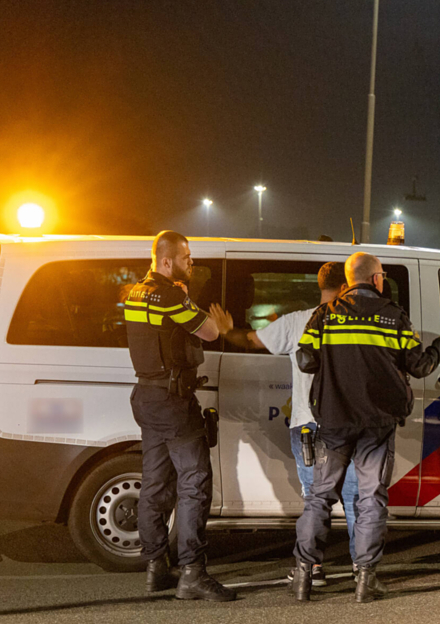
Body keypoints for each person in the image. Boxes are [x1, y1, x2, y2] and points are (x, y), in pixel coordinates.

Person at [290, 252, 440, 603]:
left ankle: (303, 576)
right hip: (377, 424)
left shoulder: (326, 314)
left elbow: (305, 360)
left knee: (321, 496)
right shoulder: (393, 317)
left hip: (334, 420)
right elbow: (420, 366)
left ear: (349, 280)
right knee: (370, 498)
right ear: (377, 278)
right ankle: (365, 579)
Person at [208, 262, 359, 586]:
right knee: (354, 497)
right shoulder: (356, 323)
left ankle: (310, 569)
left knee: (315, 499)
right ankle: (363, 568)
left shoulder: (296, 321)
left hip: (307, 425)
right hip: (345, 426)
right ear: (345, 286)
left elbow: (249, 340)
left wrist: (224, 331)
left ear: (320, 286)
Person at [124, 230, 235, 602]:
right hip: (173, 401)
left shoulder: (136, 292)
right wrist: (212, 318)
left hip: (147, 396)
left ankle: (156, 565)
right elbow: (207, 331)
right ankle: (192, 572)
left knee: (155, 482)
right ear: (167, 260)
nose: (192, 263)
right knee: (195, 481)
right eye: (187, 258)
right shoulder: (170, 295)